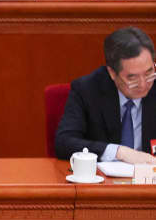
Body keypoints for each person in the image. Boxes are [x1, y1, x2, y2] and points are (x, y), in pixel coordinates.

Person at [55, 26, 156, 161]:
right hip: (102, 173)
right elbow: (64, 142)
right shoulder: (87, 89)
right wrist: (117, 152)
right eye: (132, 78)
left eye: (149, 73)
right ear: (112, 73)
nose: (143, 84)